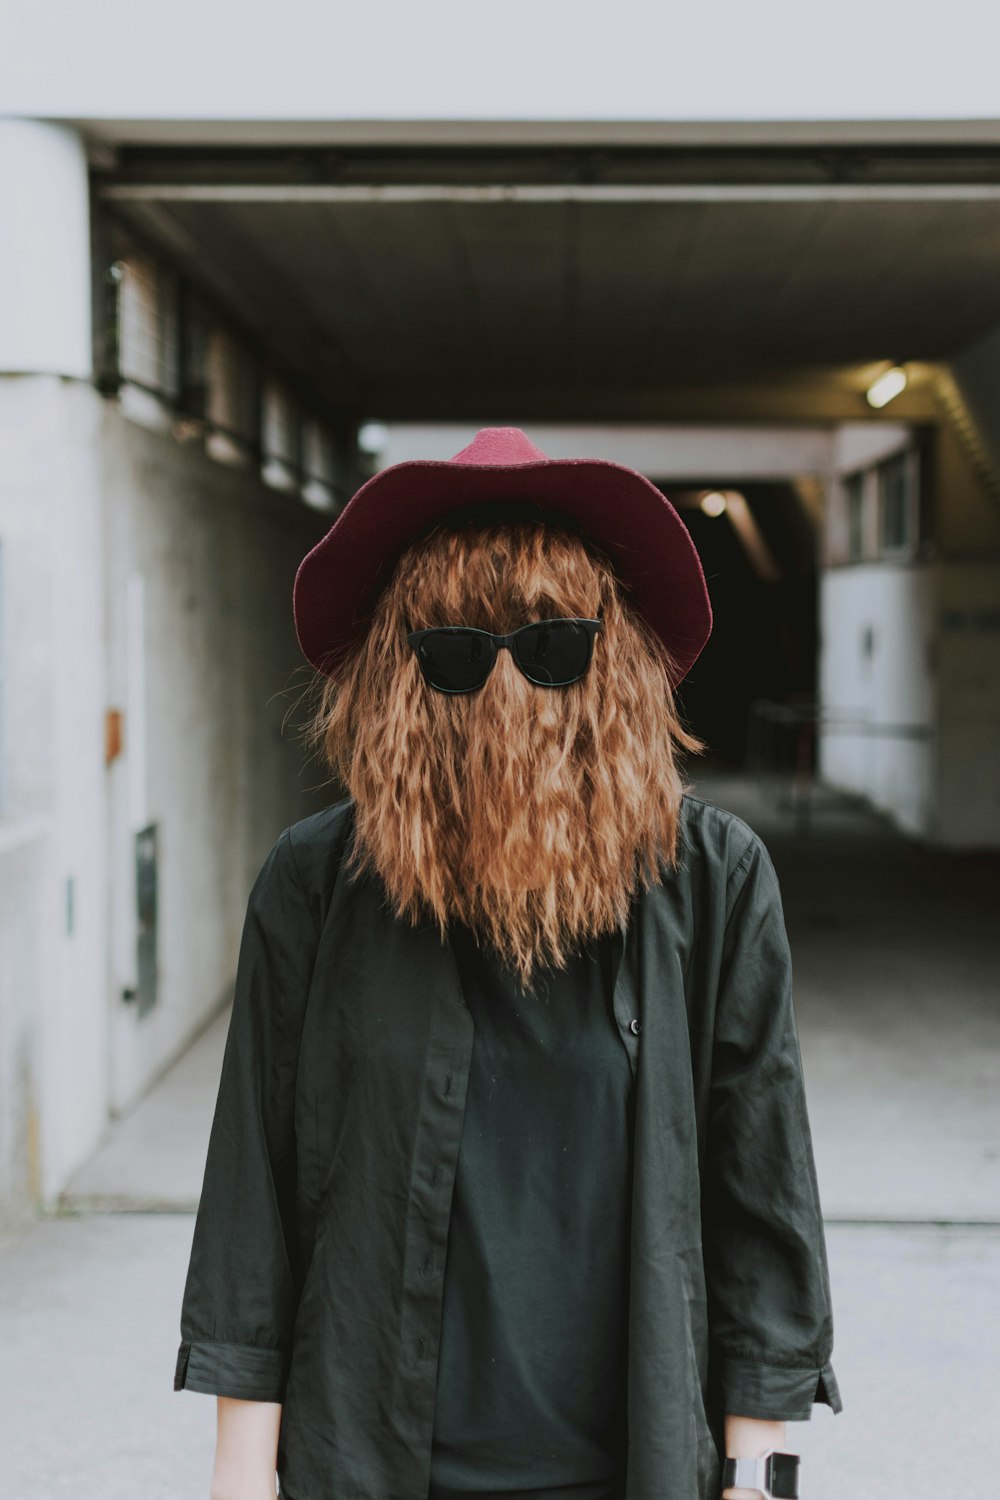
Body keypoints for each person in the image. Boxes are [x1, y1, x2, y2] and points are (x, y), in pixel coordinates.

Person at [173, 427, 843, 1500]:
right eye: (452, 652)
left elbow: (761, 1197)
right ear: (398, 677)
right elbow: (252, 1200)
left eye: (552, 648)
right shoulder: (313, 884)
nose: (505, 696)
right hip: (371, 1464)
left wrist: (758, 1479)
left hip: (634, 1465)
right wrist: (238, 1481)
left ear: (611, 662)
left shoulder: (712, 879)